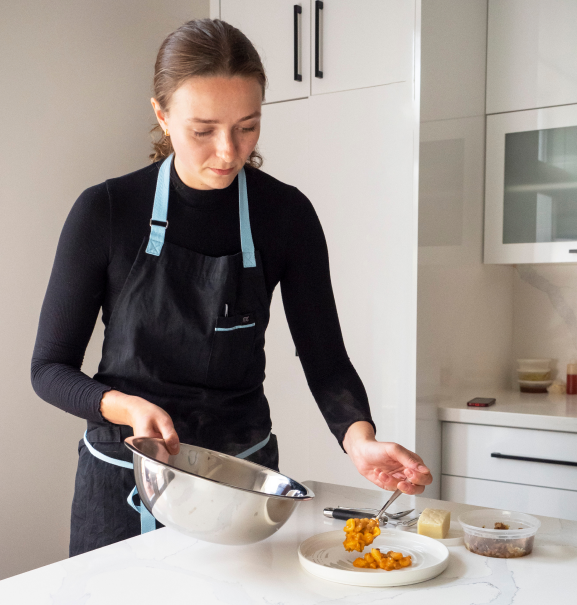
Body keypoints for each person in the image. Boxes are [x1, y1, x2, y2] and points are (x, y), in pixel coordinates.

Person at [31, 18, 432, 557]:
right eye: (203, 130)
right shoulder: (105, 211)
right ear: (161, 114)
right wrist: (124, 406)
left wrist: (358, 438)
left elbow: (325, 356)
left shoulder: (285, 215)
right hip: (122, 480)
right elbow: (48, 369)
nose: (228, 151)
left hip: (243, 486)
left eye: (248, 126)